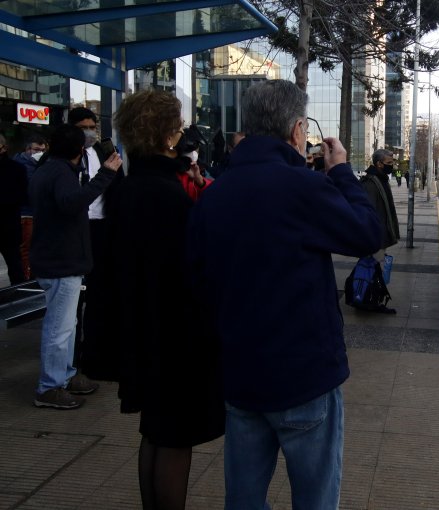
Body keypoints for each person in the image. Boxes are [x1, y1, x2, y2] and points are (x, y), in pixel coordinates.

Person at [186, 79, 381, 509]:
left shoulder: (214, 197)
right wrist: (343, 172)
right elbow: (368, 233)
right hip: (304, 375)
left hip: (241, 376)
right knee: (314, 497)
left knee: (243, 498)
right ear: (296, 131)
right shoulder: (303, 189)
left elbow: (198, 283)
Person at [108, 88, 224, 510]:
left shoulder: (128, 187)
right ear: (168, 135)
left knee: (154, 431)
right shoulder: (168, 194)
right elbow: (192, 268)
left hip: (141, 329)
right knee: (176, 438)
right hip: (177, 334)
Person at [29, 124, 121, 409]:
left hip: (58, 258)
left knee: (65, 326)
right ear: (79, 150)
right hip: (61, 260)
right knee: (60, 327)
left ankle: (64, 377)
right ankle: (50, 385)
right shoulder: (60, 173)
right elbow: (72, 203)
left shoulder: (49, 170)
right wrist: (105, 175)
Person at [68, 107, 120, 382]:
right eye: (83, 127)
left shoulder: (101, 152)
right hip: (75, 229)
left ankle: (93, 352)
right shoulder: (62, 158)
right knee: (73, 299)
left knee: (99, 294)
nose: (89, 131)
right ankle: (72, 355)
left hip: (101, 228)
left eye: (92, 126)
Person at [359, 149, 401, 287]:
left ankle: (372, 294)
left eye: (393, 162)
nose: (392, 165)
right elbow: (369, 213)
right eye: (389, 162)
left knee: (377, 266)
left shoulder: (381, 180)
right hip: (375, 236)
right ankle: (369, 295)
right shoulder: (370, 183)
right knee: (375, 266)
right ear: (379, 164)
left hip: (380, 234)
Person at [14, 133, 48, 280]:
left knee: (34, 248)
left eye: (43, 150)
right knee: (26, 249)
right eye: (36, 149)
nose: (39, 153)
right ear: (28, 150)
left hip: (35, 213)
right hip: (26, 213)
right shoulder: (21, 165)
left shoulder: (41, 165)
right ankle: (26, 278)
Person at [0, 134, 27, 285]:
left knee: (15, 266)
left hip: (8, 225)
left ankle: (19, 297)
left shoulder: (16, 169)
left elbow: (21, 195)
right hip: (9, 224)